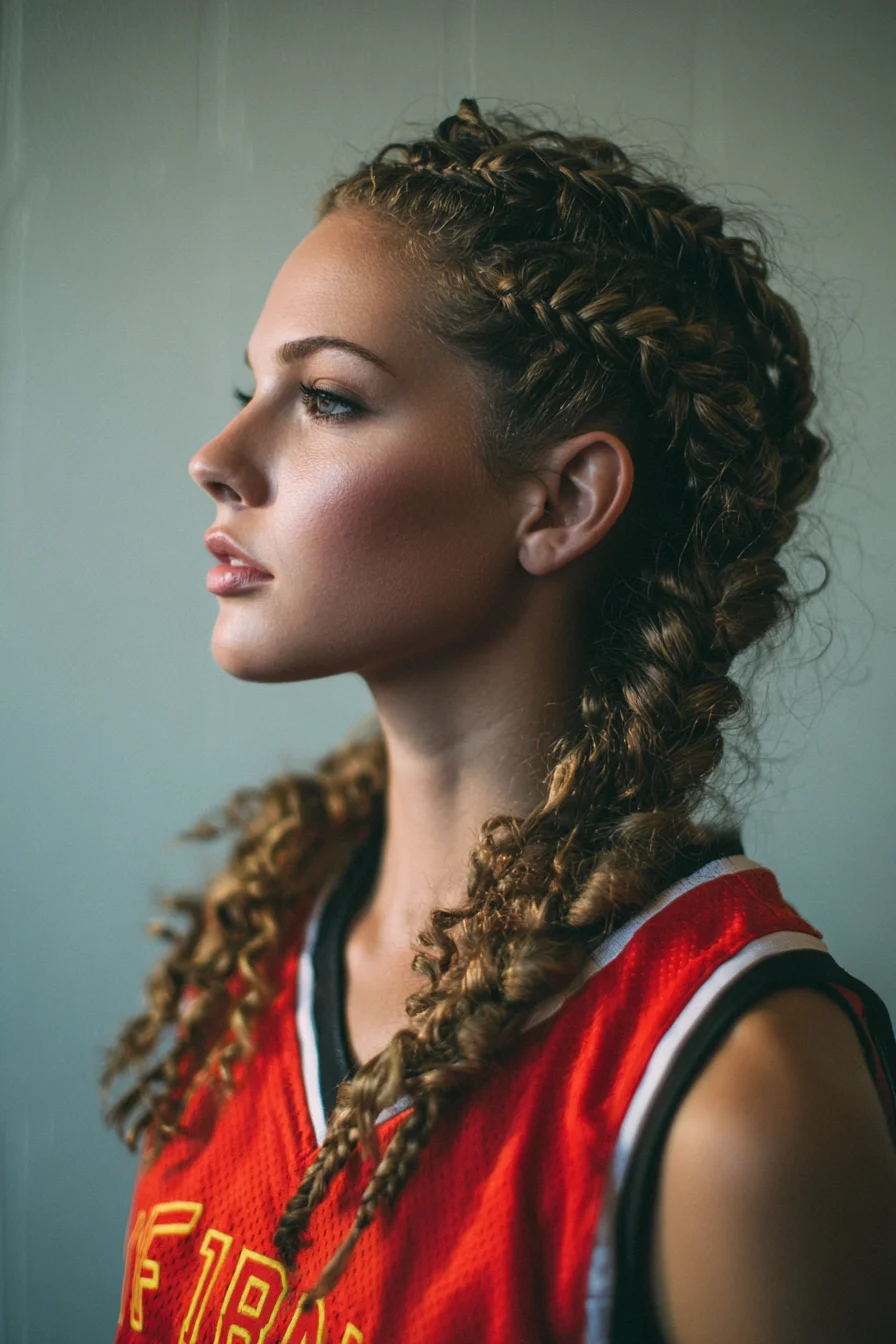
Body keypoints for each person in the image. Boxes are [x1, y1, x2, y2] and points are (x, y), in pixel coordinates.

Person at [102, 98, 896, 1344]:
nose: (218, 455)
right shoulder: (260, 933)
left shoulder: (735, 1093)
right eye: (250, 387)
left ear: (562, 502)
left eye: (328, 399)